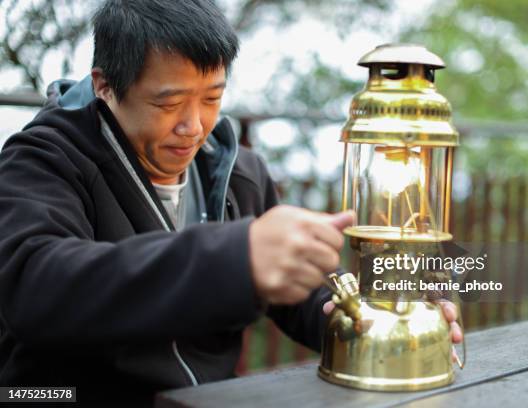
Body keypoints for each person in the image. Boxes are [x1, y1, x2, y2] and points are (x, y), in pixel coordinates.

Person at [0, 0, 462, 405]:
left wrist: (375, 322)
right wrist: (235, 257)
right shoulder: (43, 159)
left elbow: (304, 296)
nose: (193, 126)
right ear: (104, 85)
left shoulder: (240, 172)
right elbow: (34, 285)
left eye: (212, 98)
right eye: (168, 103)